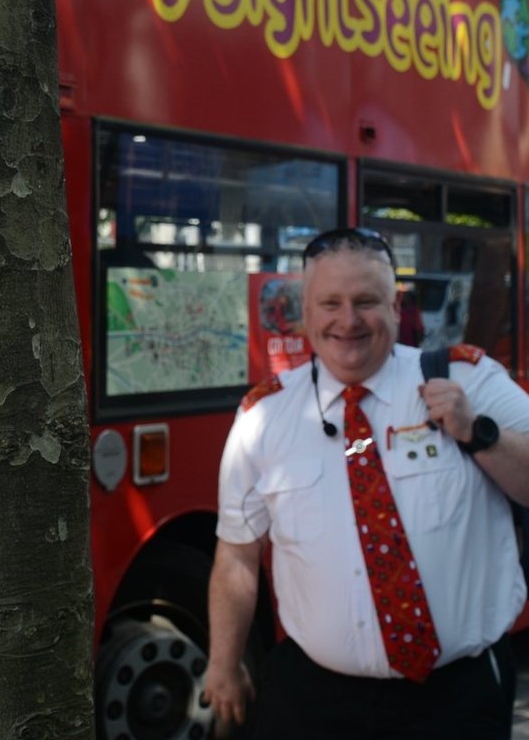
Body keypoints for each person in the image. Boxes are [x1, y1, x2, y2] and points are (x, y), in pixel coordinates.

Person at [206, 227, 529, 740]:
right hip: (316, 700)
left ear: (396, 306)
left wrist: (479, 433)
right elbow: (237, 555)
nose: (347, 320)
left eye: (366, 301)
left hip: (456, 701)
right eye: (329, 303)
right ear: (306, 312)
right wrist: (223, 664)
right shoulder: (263, 417)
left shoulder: (469, 380)